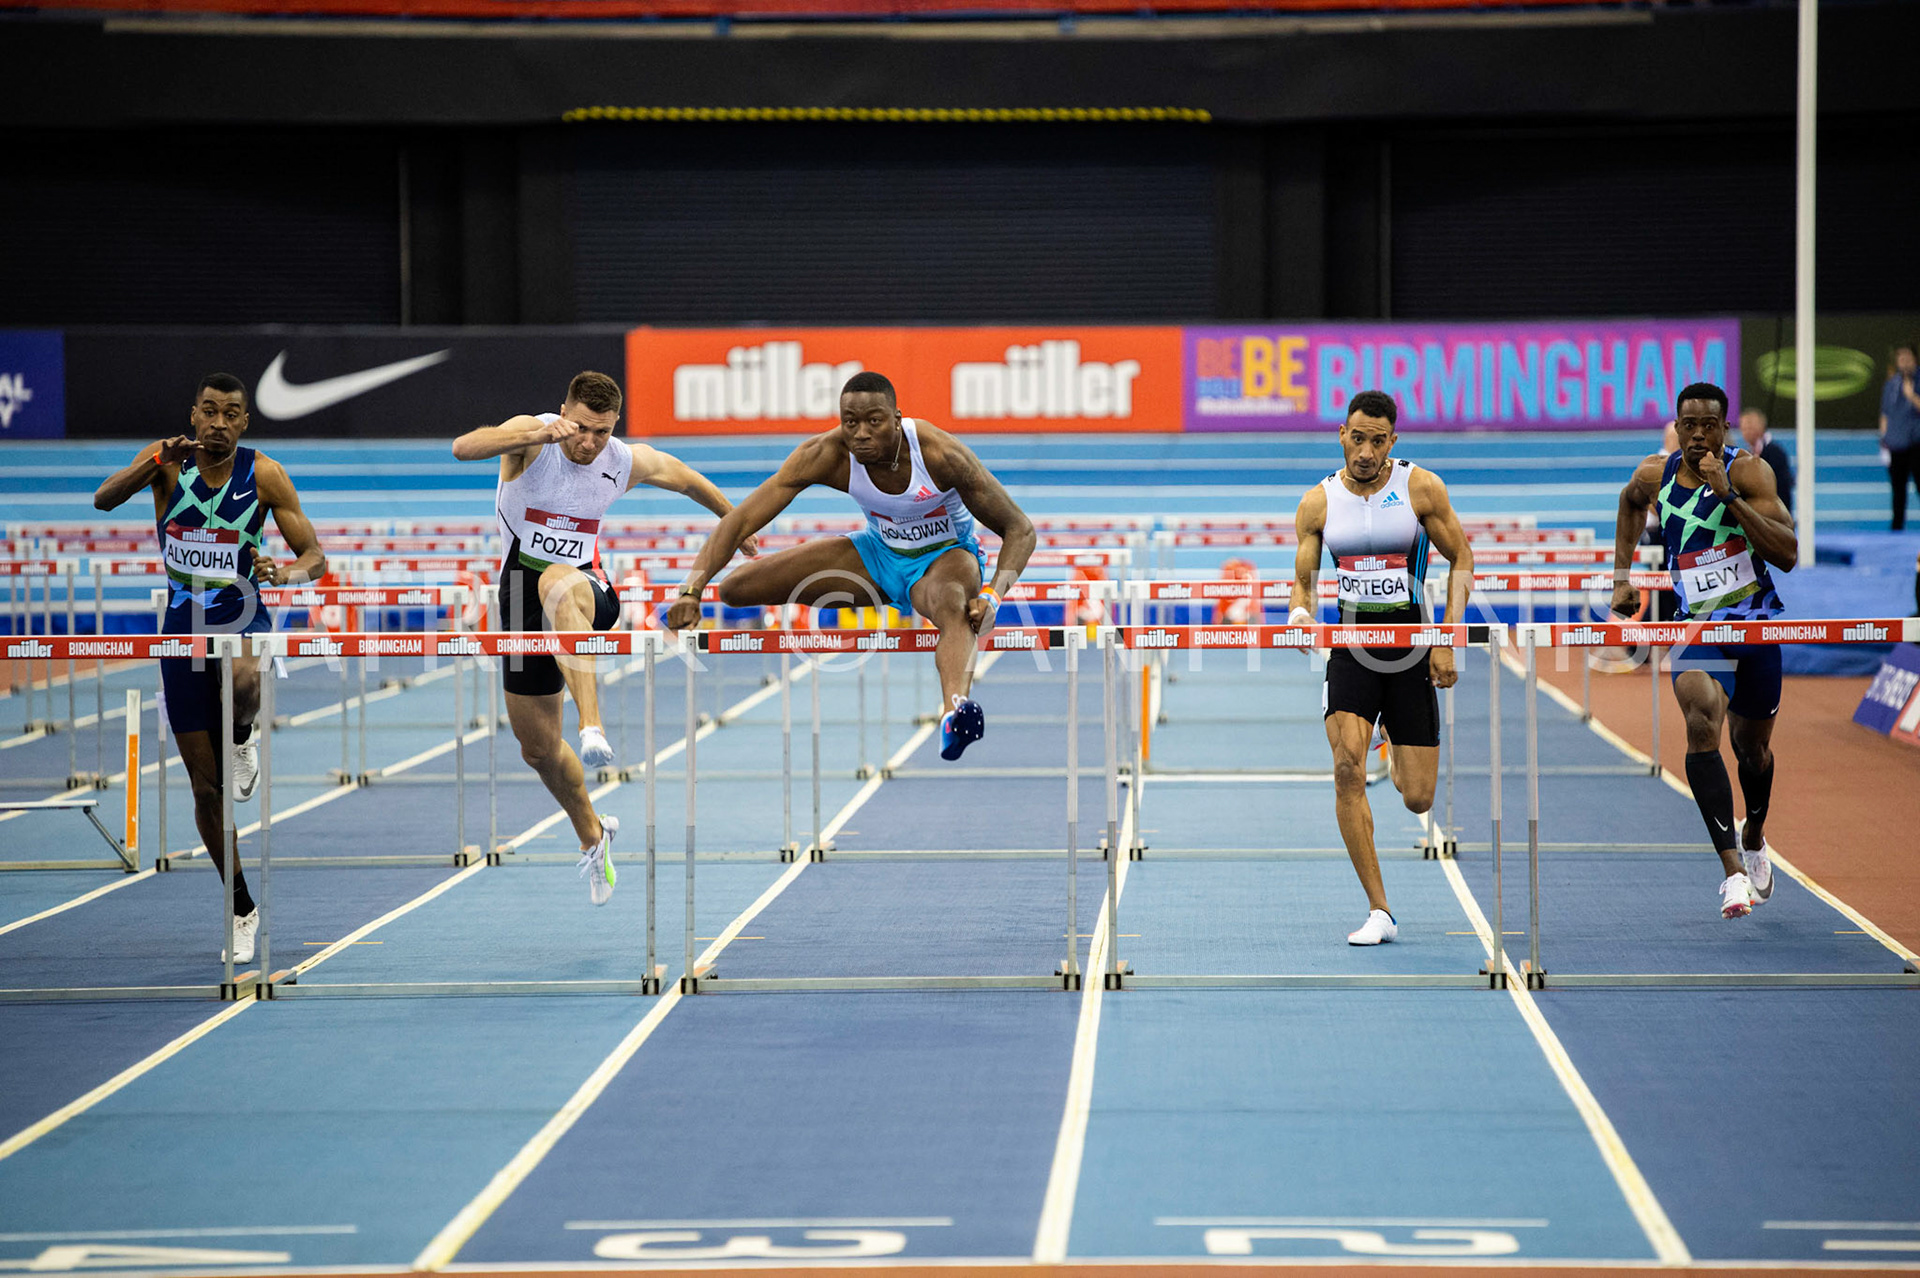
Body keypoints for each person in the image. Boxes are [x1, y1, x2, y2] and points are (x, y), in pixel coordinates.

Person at [452, 371, 750, 905]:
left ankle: (593, 724)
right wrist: (536, 437)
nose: (590, 443)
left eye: (603, 432)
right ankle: (594, 834)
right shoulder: (534, 437)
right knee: (537, 747)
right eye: (582, 429)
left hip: (588, 592)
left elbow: (683, 477)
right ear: (564, 410)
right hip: (519, 601)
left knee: (558, 583)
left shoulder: (620, 461)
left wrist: (734, 520)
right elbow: (464, 447)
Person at [664, 371, 1036, 762]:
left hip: (944, 558)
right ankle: (864, 598)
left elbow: (1020, 530)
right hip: (877, 554)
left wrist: (993, 595)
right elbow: (740, 520)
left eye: (874, 422)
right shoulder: (827, 454)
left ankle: (954, 711)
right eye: (850, 422)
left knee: (953, 602)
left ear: (897, 418)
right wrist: (692, 588)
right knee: (735, 588)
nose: (860, 433)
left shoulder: (941, 455)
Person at [93, 373, 327, 964]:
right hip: (180, 629)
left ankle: (243, 734)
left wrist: (286, 574)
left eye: (231, 414)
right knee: (205, 787)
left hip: (243, 615)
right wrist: (151, 462)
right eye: (209, 412)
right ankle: (242, 907)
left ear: (245, 422)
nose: (219, 423)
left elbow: (315, 557)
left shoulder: (264, 474)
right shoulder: (167, 464)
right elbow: (103, 498)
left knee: (247, 681)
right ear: (193, 415)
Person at [1288, 390, 1475, 946]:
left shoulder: (1420, 488)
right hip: (1350, 650)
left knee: (1418, 798)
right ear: (1341, 435)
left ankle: (1392, 737)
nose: (1365, 451)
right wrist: (1300, 612)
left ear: (1392, 442)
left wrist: (1447, 638)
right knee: (1346, 765)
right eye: (1357, 438)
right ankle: (1379, 909)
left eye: (1377, 441)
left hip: (1413, 648)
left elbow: (1461, 557)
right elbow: (1303, 578)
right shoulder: (1317, 503)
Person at [1612, 382, 1797, 921]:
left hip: (1756, 625)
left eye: (1708, 426)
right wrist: (1622, 578)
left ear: (1725, 428)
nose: (1697, 436)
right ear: (1677, 425)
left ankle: (1755, 834)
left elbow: (1786, 553)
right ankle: (1732, 873)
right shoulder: (1656, 474)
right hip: (1695, 627)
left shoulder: (1749, 473)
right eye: (1687, 425)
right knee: (1699, 722)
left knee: (1752, 753)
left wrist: (1729, 496)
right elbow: (1628, 503)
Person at [1880, 345, 1920, 531]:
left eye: (1907, 357)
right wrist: (1884, 442)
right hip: (1896, 444)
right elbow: (1885, 413)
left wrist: (1912, 396)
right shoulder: (1891, 384)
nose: (1904, 361)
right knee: (1898, 489)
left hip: (1916, 443)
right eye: (1900, 358)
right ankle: (1897, 527)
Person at [1738, 406, 1796, 516]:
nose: (1746, 432)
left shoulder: (1774, 452)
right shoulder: (1747, 453)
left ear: (1762, 426)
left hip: (1774, 516)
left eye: (1750, 427)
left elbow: (1782, 488)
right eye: (1744, 428)